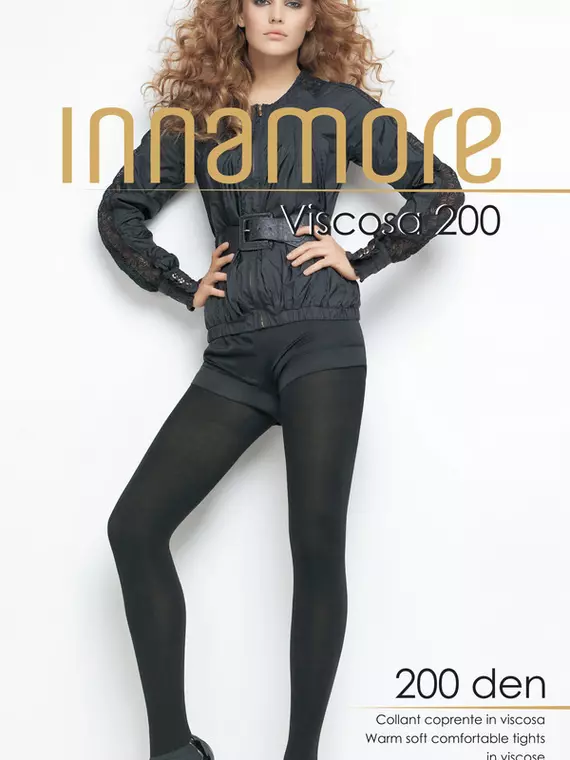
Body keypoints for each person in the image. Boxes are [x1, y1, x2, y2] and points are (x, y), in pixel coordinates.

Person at [98, 1, 465, 759]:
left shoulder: (338, 108)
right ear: (235, 14)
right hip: (234, 352)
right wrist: (180, 283)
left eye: (294, 2)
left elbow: (439, 190)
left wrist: (362, 258)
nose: (276, 13)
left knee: (316, 544)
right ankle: (174, 749)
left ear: (312, 22)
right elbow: (119, 210)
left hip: (320, 340)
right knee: (134, 528)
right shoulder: (198, 117)